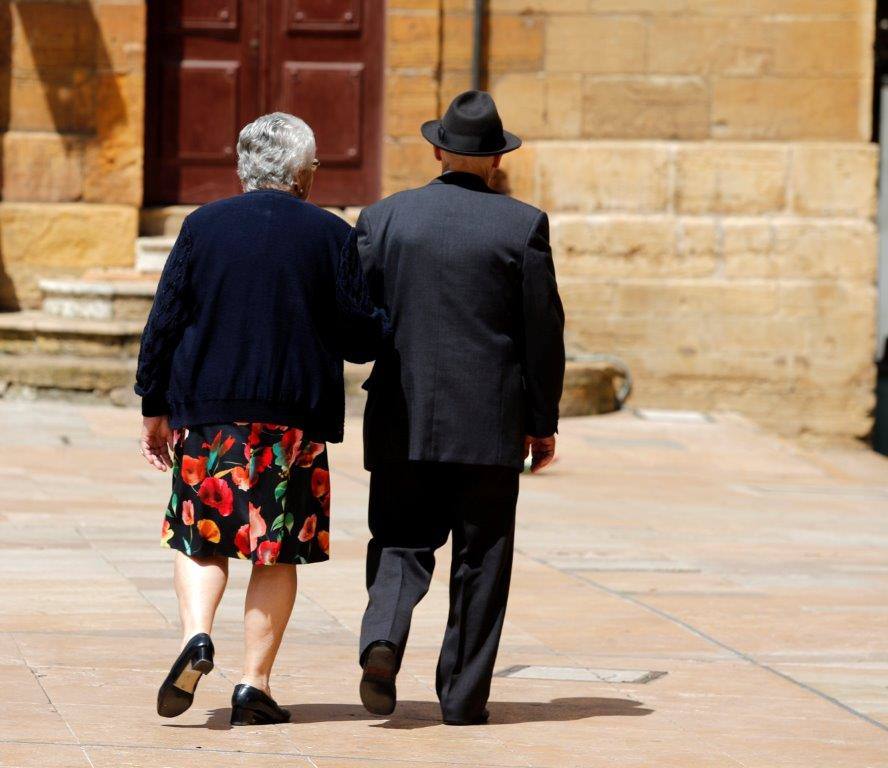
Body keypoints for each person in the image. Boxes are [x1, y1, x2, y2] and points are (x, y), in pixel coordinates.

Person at [135, 112, 385, 726]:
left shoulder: (203, 225)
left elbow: (163, 321)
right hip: (291, 421)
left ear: (243, 167)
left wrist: (154, 406)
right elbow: (360, 338)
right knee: (275, 552)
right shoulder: (331, 235)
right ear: (302, 173)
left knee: (200, 538)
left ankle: (197, 636)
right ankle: (254, 684)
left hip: (209, 414)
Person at [354, 90, 566, 725]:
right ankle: (464, 698)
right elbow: (543, 331)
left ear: (439, 149)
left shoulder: (383, 218)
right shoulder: (522, 224)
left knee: (398, 539)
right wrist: (542, 420)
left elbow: (358, 319)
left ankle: (383, 636)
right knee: (482, 556)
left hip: (402, 413)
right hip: (489, 423)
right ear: (495, 160)